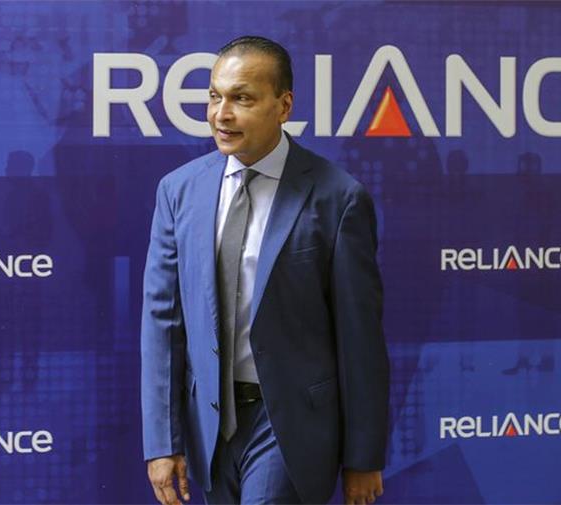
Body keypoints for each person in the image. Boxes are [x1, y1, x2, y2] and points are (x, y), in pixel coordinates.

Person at [140, 35, 389, 505]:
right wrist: (162, 442)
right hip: (208, 428)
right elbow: (162, 322)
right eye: (214, 96)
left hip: (289, 427)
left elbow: (361, 339)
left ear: (283, 105)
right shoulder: (178, 191)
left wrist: (363, 455)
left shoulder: (339, 198)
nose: (221, 114)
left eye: (242, 99)